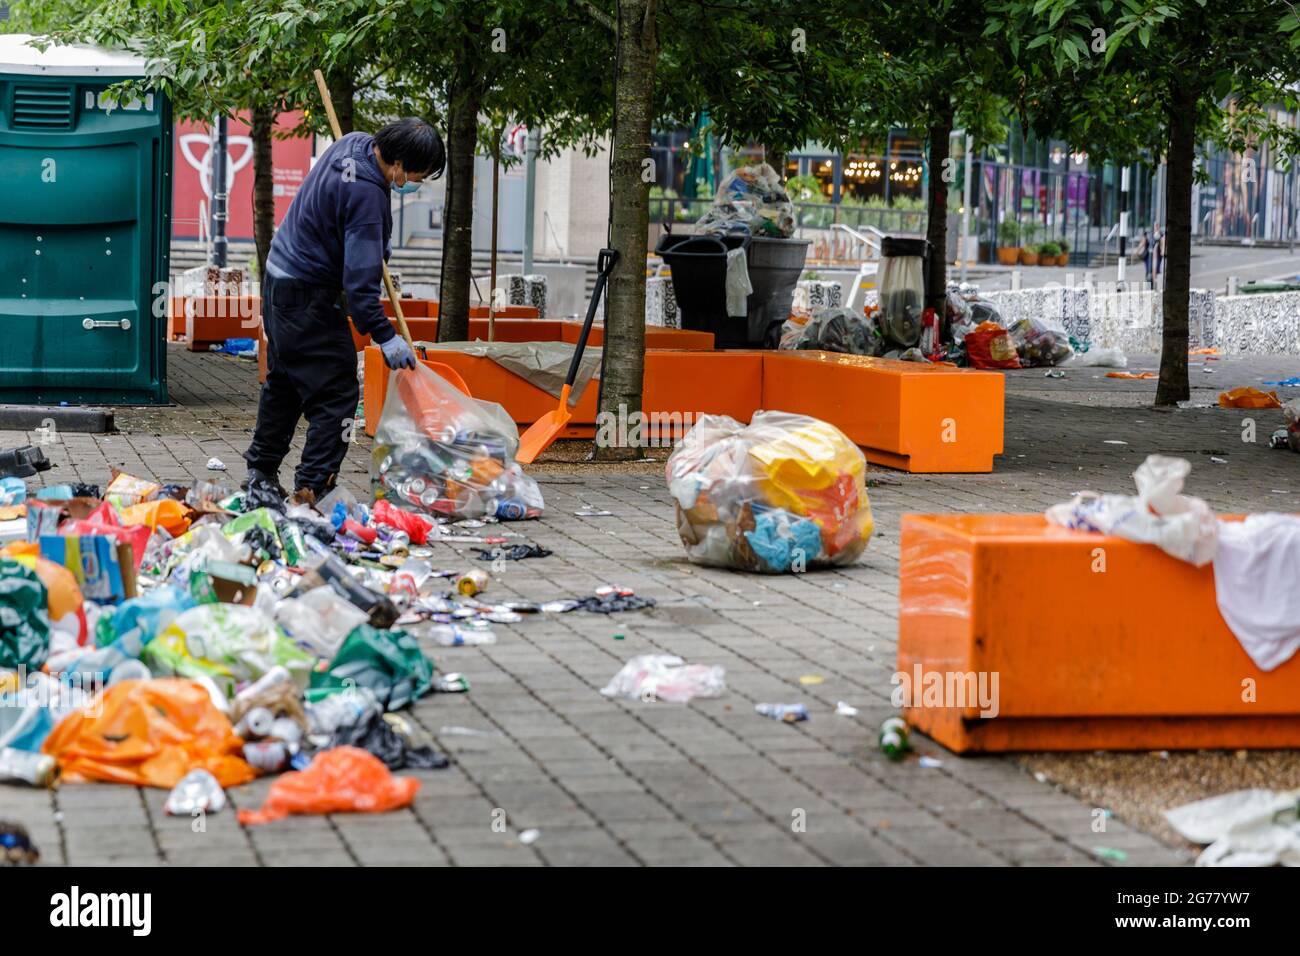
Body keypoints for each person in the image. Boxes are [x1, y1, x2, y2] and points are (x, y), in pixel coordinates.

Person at [243, 119, 445, 507]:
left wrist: (372, 247)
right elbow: (360, 288)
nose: (417, 181)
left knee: (286, 380)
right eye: (419, 174)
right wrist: (386, 336)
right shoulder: (369, 197)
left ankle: (260, 477)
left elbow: (342, 216)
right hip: (307, 294)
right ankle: (313, 489)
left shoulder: (354, 143)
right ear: (399, 165)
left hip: (278, 279)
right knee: (336, 395)